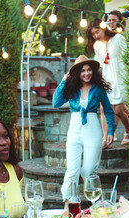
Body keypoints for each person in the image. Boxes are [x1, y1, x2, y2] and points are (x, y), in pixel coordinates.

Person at [52, 55, 115, 205]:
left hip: (92, 128)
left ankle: (93, 204)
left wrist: (111, 131)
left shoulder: (98, 89)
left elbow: (108, 110)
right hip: (74, 128)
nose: (86, 73)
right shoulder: (71, 88)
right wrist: (63, 81)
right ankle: (70, 204)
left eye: (89, 70)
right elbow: (55, 103)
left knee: (88, 171)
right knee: (72, 170)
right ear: (76, 73)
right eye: (82, 71)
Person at [86, 18, 129, 148]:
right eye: (93, 34)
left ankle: (128, 131)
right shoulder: (97, 45)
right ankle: (105, 138)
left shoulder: (118, 38)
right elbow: (99, 64)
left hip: (120, 78)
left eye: (97, 32)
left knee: (118, 110)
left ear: (103, 28)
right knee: (103, 109)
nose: (96, 36)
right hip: (106, 80)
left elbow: (128, 56)